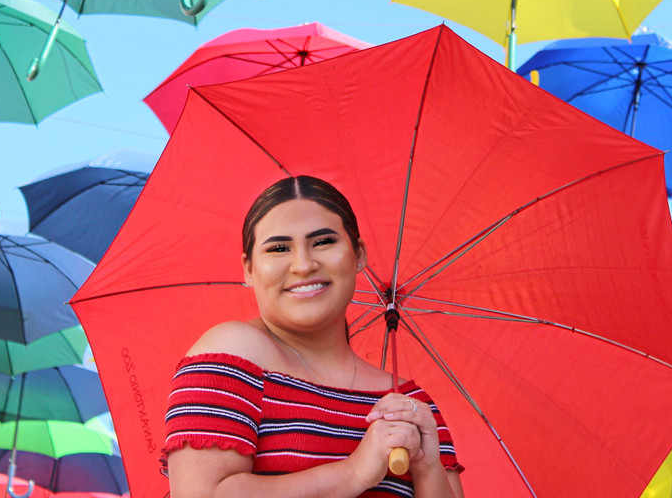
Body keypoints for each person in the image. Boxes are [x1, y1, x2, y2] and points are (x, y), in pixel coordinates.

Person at [163, 175, 465, 498]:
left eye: (323, 242)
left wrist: (427, 466)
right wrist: (352, 473)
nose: (304, 265)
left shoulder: (410, 406)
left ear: (358, 253)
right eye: (279, 248)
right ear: (248, 268)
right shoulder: (233, 354)